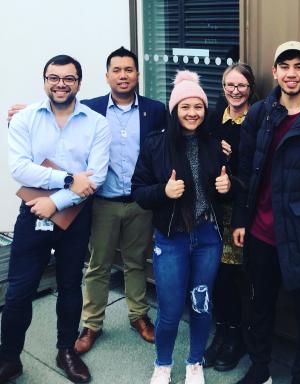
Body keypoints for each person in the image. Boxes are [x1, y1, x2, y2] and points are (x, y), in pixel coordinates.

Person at [7, 47, 168, 353]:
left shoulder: (155, 110)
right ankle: (92, 324)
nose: (123, 75)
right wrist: (24, 113)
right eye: (116, 70)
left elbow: (171, 143)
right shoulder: (93, 109)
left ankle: (139, 316)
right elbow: (59, 115)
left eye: (129, 70)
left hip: (139, 201)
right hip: (100, 201)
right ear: (106, 76)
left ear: (137, 74)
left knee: (136, 262)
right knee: (98, 265)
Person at [232, 41, 300, 384]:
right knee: (260, 306)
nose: (291, 73)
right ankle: (261, 368)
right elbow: (245, 170)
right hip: (262, 232)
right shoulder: (260, 113)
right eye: (285, 66)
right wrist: (240, 220)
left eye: (299, 66)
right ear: (274, 72)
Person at [0, 55, 110, 384]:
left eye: (69, 78)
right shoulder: (25, 119)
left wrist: (55, 201)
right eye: (54, 77)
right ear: (44, 80)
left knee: (69, 286)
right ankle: (9, 358)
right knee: (18, 291)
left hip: (75, 217)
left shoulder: (95, 123)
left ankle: (66, 351)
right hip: (33, 213)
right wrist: (65, 181)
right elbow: (18, 168)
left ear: (79, 82)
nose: (61, 83)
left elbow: (95, 178)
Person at [132, 70, 236, 384]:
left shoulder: (216, 144)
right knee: (170, 308)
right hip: (171, 238)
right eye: (185, 107)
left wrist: (227, 185)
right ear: (175, 110)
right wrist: (163, 192)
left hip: (207, 237)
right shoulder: (156, 144)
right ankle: (163, 364)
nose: (192, 113)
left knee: (201, 304)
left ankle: (194, 363)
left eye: (198, 107)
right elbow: (138, 191)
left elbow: (230, 187)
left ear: (206, 111)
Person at [204, 63, 257, 372]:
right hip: (212, 210)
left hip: (240, 212)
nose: (235, 91)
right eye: (229, 85)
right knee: (217, 275)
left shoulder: (257, 118)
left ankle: (236, 336)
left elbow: (254, 169)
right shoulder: (213, 119)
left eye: (241, 85)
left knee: (237, 277)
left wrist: (230, 157)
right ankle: (221, 331)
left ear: (250, 88)